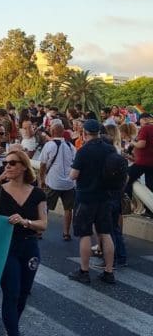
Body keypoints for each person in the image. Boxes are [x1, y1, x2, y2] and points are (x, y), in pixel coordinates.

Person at [0, 150, 48, 336]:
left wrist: (25, 222)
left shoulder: (38, 193)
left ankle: (11, 328)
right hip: (7, 248)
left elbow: (43, 224)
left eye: (12, 163)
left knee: (23, 293)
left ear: (23, 166)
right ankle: (14, 335)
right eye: (5, 163)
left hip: (30, 247)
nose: (7, 166)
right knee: (11, 293)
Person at [68, 119, 116, 284]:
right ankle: (109, 272)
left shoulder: (84, 151)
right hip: (105, 196)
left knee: (85, 234)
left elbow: (74, 175)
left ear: (85, 133)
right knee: (106, 233)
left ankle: (84, 271)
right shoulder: (110, 149)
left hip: (86, 197)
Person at [38, 120, 76, 241]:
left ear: (53, 131)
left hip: (53, 182)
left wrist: (42, 179)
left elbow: (43, 165)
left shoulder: (49, 145)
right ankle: (66, 233)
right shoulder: (71, 146)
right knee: (68, 209)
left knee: (45, 206)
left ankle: (39, 231)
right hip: (69, 183)